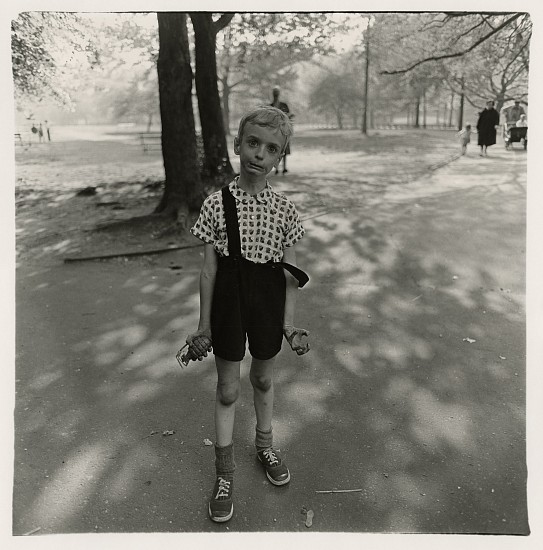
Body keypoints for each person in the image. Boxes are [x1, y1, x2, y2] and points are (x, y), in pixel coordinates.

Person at [186, 105, 310, 523]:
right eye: (253, 143)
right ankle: (223, 474)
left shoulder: (286, 212)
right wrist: (203, 326)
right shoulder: (215, 205)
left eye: (271, 148)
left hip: (267, 304)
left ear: (280, 157)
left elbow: (291, 275)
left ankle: (265, 445)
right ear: (238, 144)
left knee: (262, 378)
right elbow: (208, 270)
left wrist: (289, 326)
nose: (260, 153)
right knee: (227, 389)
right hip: (227, 303)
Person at [270, 86, 293, 174]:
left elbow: (288, 116)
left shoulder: (284, 105)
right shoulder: (270, 106)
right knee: (275, 149)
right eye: (274, 93)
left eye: (276, 93)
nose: (275, 95)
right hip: (274, 131)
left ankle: (284, 167)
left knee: (284, 150)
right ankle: (276, 168)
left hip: (283, 130)